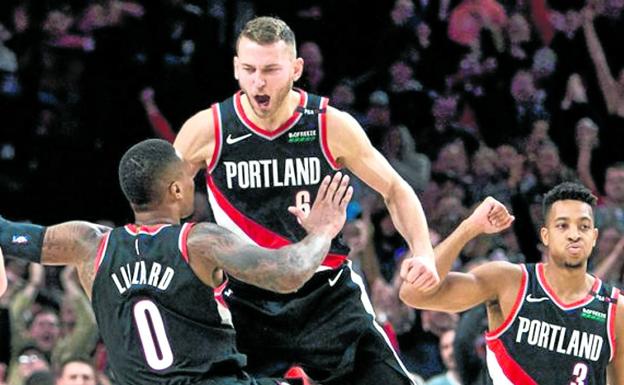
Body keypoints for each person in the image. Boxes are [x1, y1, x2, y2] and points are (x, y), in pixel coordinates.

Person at [173, 16, 437, 385]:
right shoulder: (209, 128)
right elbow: (161, 207)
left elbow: (395, 188)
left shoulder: (328, 123)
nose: (258, 81)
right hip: (246, 301)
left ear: (296, 69)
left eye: (271, 70)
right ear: (235, 68)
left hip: (326, 294)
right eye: (248, 69)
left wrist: (422, 251)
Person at [0, 138, 353, 385]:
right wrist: (322, 232)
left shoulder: (89, 245)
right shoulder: (198, 241)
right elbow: (289, 274)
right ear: (176, 190)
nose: (193, 179)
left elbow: (11, 235)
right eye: (188, 175)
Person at [400, 185, 624, 384]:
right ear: (545, 236)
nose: (574, 235)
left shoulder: (616, 309)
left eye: (583, 227)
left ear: (594, 237)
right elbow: (414, 294)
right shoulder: (509, 281)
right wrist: (469, 228)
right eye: (563, 226)